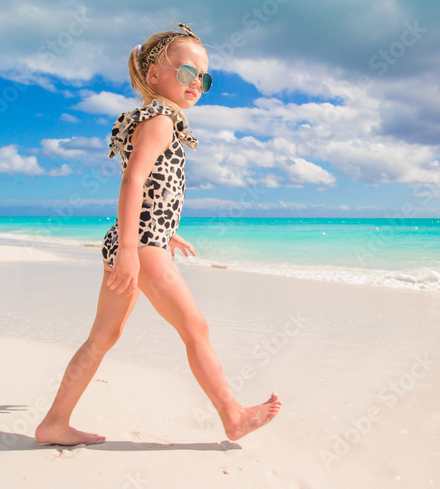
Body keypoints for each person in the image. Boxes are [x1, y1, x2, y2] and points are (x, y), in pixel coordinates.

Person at [35, 23, 281, 446]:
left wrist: (167, 233)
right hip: (139, 245)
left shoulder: (155, 119)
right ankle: (233, 416)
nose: (197, 84)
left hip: (145, 239)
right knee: (195, 328)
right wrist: (133, 248)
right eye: (187, 72)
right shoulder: (161, 120)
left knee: (102, 337)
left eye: (204, 78)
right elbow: (132, 181)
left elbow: (152, 193)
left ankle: (54, 422)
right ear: (153, 75)